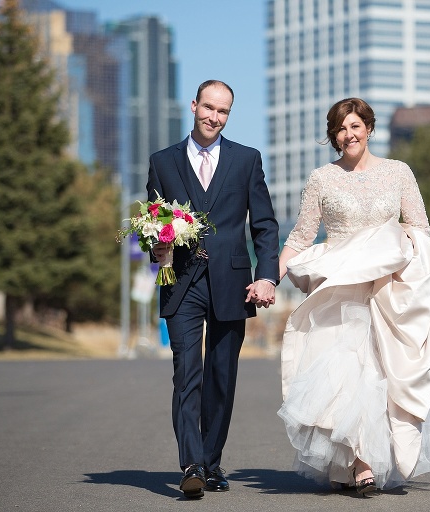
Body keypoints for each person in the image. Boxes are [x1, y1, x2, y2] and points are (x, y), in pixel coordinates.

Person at [276, 98, 430, 495]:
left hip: (388, 288)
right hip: (340, 288)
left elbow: (419, 226)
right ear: (332, 135)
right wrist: (270, 276)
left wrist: (397, 251)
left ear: (369, 128)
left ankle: (366, 460)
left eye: (355, 126)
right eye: (340, 129)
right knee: (349, 373)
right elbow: (302, 237)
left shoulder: (398, 172)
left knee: (383, 373)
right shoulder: (322, 178)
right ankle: (361, 463)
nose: (348, 135)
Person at [148, 80, 279, 499]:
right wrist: (158, 243)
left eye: (223, 112)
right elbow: (152, 227)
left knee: (222, 377)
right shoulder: (163, 162)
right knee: (187, 372)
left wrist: (267, 275)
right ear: (193, 106)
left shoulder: (246, 160)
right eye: (208, 108)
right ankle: (191, 465)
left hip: (233, 283)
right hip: (182, 284)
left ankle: (211, 460)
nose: (214, 117)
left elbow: (264, 224)